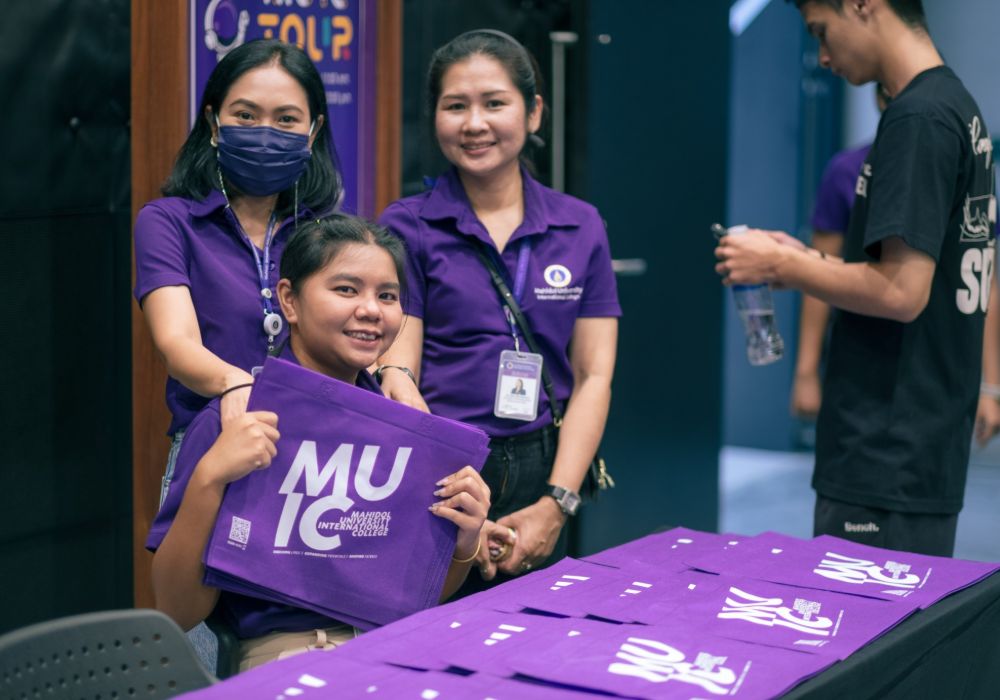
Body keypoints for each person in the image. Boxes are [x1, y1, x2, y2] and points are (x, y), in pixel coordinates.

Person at [147, 216, 490, 672]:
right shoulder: (235, 420)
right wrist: (209, 478)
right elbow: (176, 612)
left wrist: (465, 540)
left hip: (396, 646)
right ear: (289, 300)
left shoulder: (406, 430)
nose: (371, 310)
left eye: (388, 296)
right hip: (288, 654)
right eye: (347, 289)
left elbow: (412, 598)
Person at [715, 0, 995, 557]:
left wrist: (782, 266)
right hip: (909, 440)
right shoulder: (950, 105)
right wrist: (807, 262)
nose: (822, 56)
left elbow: (901, 292)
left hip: (888, 445)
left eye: (822, 31)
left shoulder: (920, 118)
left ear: (863, 5)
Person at [376, 30, 620, 587]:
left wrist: (557, 503)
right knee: (434, 627)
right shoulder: (407, 225)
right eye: (455, 106)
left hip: (547, 463)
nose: (474, 123)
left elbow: (594, 375)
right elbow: (399, 369)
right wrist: (453, 491)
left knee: (536, 625)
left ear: (533, 112)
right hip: (442, 461)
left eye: (494, 103)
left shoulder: (580, 224)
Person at [133, 39, 342, 503]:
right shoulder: (168, 222)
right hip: (212, 446)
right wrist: (236, 383)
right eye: (245, 115)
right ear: (213, 123)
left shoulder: (327, 234)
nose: (265, 132)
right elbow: (177, 343)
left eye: (286, 120)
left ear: (312, 132)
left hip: (315, 461)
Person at [792, 86, 887, 422]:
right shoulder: (846, 170)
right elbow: (818, 276)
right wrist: (806, 373)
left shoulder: (957, 170)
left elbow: (982, 280)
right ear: (879, 98)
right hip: (858, 353)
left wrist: (990, 385)